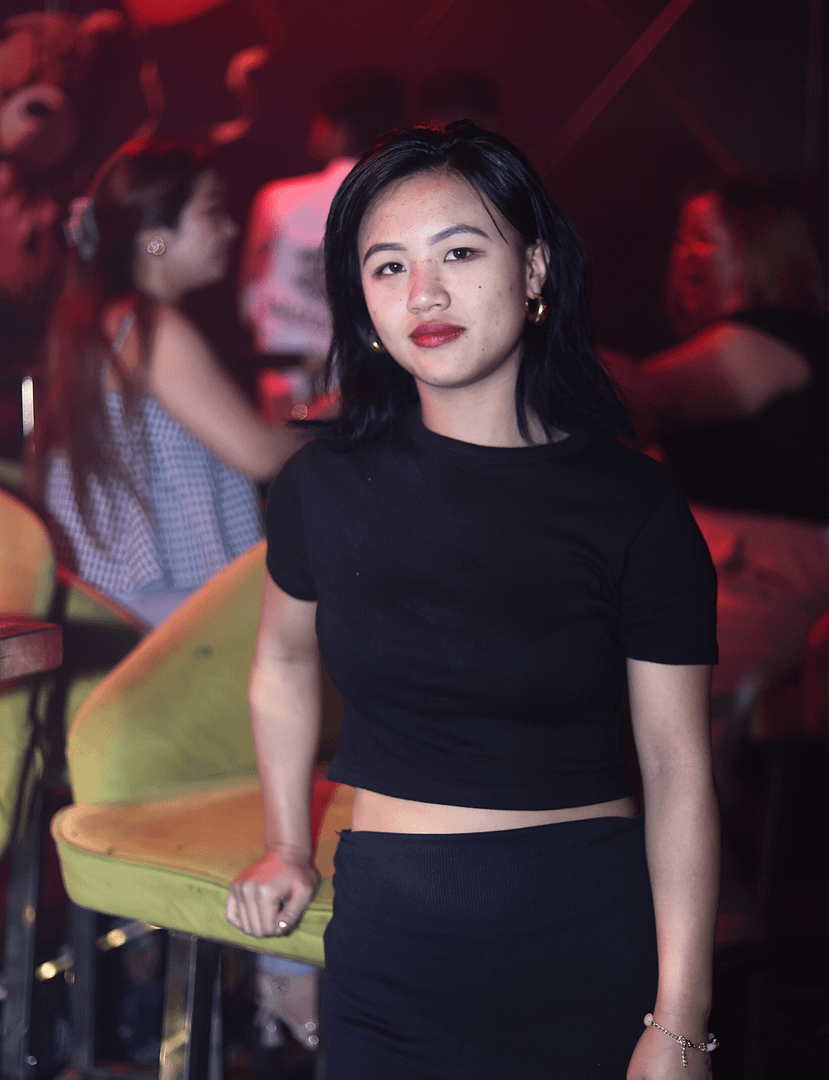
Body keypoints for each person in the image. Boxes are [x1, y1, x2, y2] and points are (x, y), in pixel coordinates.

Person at [226, 122, 720, 1079]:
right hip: (389, 953)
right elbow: (281, 659)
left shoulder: (635, 506)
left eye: (458, 252)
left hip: (584, 939)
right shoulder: (322, 487)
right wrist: (287, 843)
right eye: (388, 267)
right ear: (362, 302)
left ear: (534, 269)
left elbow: (677, 767)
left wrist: (680, 1021)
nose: (425, 294)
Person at [608, 174, 829, 788]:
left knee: (646, 695)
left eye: (704, 237)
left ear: (760, 246)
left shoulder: (782, 334)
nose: (684, 254)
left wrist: (516, 339)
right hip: (724, 560)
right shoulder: (714, 351)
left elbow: (638, 391)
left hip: (781, 566)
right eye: (679, 238)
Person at [33, 138, 301, 628]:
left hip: (124, 602)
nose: (231, 228)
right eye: (212, 210)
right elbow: (261, 454)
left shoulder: (100, 322)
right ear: (154, 238)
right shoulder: (149, 328)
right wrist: (337, 417)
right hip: (167, 610)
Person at [239, 69, 407, 372]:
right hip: (372, 373)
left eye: (317, 123)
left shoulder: (277, 198)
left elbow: (248, 304)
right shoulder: (404, 201)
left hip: (286, 373)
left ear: (338, 129)